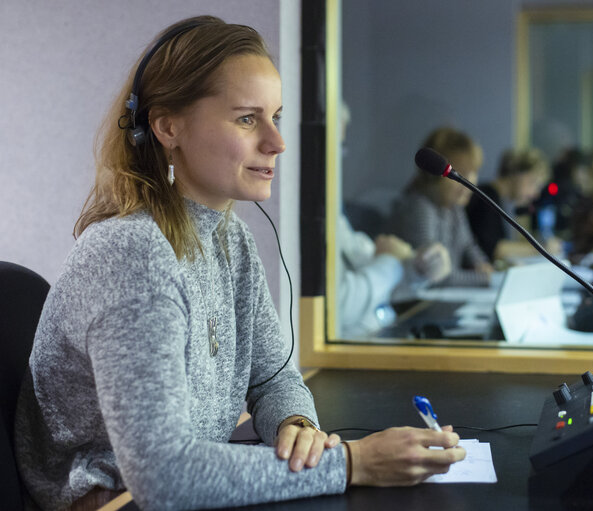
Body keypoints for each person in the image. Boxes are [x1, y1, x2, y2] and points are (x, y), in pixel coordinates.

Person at [14, 16, 465, 510]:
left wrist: (297, 426)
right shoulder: (131, 253)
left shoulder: (232, 239)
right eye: (248, 119)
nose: (277, 142)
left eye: (276, 116)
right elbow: (163, 476)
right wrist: (355, 463)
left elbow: (272, 377)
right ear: (167, 127)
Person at [388, 127, 494, 287]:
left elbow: (469, 246)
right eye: (462, 173)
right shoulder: (419, 207)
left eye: (473, 172)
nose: (471, 181)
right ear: (434, 175)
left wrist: (485, 266)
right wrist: (487, 278)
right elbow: (434, 274)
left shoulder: (453, 208)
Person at [337, 215, 451, 337]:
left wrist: (416, 270)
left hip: (377, 336)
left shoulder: (332, 216)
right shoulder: (316, 220)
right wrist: (390, 261)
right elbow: (341, 307)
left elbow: (380, 285)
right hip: (350, 348)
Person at [465, 148, 549, 262]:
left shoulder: (497, 198)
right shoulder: (485, 198)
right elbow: (494, 249)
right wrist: (542, 249)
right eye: (533, 183)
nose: (535, 194)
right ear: (516, 174)